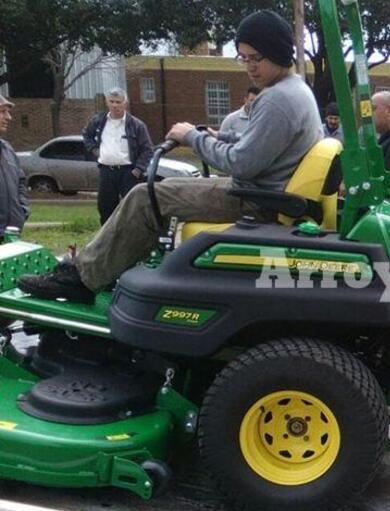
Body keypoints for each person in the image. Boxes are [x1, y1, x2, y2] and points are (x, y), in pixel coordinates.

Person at [18, 10, 322, 304]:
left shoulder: (277, 99)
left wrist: (192, 137)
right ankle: (108, 269)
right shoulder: (295, 90)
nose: (249, 67)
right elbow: (265, 144)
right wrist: (220, 136)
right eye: (244, 58)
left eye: (256, 58)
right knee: (156, 193)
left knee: (145, 197)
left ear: (278, 52)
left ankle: (82, 279)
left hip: (256, 200)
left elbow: (241, 162)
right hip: (266, 192)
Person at [82, 88, 153, 225]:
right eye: (112, 101)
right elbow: (87, 135)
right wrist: (95, 150)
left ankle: (131, 237)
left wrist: (138, 169)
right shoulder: (98, 121)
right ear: (107, 102)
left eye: (118, 102)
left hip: (128, 172)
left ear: (125, 103)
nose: (115, 105)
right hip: (106, 171)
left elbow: (148, 149)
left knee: (131, 208)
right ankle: (107, 240)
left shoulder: (136, 125)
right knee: (105, 208)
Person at [0, 94, 30, 234]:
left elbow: (21, 183)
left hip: (11, 235)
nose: (8, 117)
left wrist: (22, 210)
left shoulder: (7, 150)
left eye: (8, 112)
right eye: (2, 111)